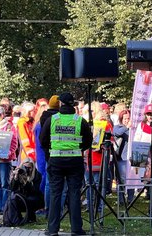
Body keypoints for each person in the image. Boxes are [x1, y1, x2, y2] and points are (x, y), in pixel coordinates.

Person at [42, 92, 92, 236]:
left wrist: (52, 150)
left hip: (56, 160)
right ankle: (76, 229)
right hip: (75, 161)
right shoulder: (80, 120)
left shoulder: (52, 120)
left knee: (55, 193)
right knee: (74, 194)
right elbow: (88, 141)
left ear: (61, 104)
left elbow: (43, 140)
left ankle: (52, 230)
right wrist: (77, 149)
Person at [0, 106, 18, 214]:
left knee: (4, 184)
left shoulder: (9, 126)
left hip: (4, 160)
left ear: (2, 115)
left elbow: (14, 142)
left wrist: (9, 153)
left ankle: (4, 207)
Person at [112, 109, 133, 205]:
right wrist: (126, 127)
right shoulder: (117, 127)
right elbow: (117, 133)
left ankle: (130, 199)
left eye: (128, 118)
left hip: (131, 157)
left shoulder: (133, 128)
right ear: (121, 119)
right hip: (121, 157)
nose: (127, 120)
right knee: (121, 179)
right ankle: (121, 199)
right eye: (125, 119)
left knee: (132, 178)